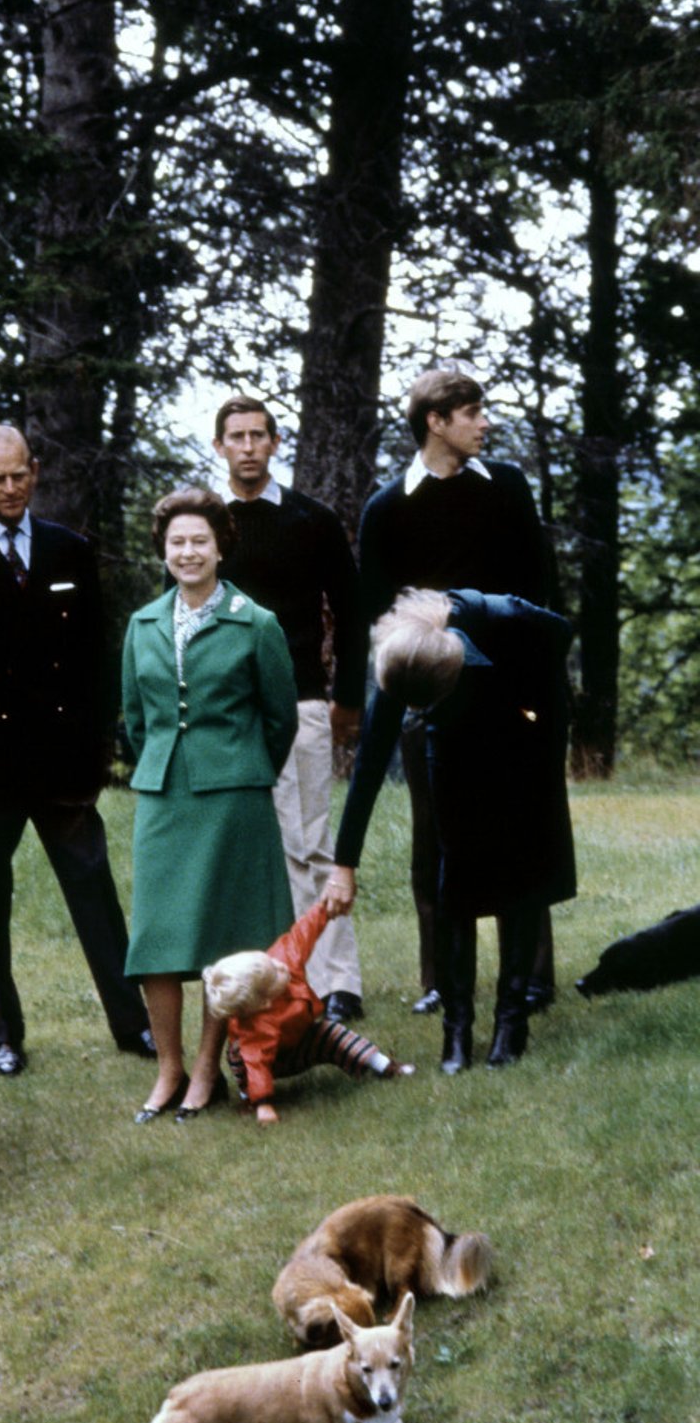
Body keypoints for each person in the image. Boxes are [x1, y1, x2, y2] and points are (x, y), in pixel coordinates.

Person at [0, 423, 153, 1076]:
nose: (11, 488)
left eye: (20, 474)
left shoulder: (70, 551)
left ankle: (135, 1025)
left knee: (95, 894)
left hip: (60, 762)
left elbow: (96, 658)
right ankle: (2, 1035)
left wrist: (102, 745)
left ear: (35, 471)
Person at [355, 366, 555, 1015]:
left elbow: (538, 588)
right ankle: (441, 978)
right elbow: (378, 613)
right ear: (435, 421)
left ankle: (529, 976)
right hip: (427, 698)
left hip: (509, 690)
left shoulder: (508, 488)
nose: (484, 422)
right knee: (434, 836)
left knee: (520, 828)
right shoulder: (386, 509)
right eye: (471, 411)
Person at [327, 588, 576, 1071]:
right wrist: (345, 863)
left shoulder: (511, 619)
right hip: (453, 742)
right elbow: (370, 768)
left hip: (523, 722)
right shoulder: (407, 656)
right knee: (454, 871)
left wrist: (535, 702)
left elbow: (561, 633)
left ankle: (511, 1023)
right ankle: (456, 1033)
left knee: (519, 868)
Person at [122, 487, 298, 1122]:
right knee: (157, 941)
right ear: (163, 552)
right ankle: (168, 1068)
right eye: (177, 543)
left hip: (233, 800)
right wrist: (163, 765)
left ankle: (205, 1072)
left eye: (200, 540)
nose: (188, 552)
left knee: (223, 942)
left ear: (221, 546)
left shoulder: (257, 623)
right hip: (163, 795)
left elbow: (279, 721)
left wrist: (242, 772)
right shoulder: (142, 624)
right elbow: (136, 721)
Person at [213, 395, 366, 1025]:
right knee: (238, 851)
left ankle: (337, 983)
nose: (248, 446)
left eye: (258, 435)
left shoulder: (312, 520)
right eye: (236, 437)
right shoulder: (204, 522)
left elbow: (353, 613)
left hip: (300, 699)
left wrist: (348, 700)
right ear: (220, 447)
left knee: (310, 846)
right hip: (224, 712)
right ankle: (246, 980)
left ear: (276, 444)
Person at [203, 902, 413, 1127]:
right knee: (239, 1056)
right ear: (263, 1003)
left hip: (303, 1036)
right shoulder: (255, 1029)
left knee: (332, 1032)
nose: (280, 967)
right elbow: (257, 1065)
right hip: (277, 1061)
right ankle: (250, 1099)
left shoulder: (282, 960)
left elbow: (303, 932)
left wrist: (325, 908)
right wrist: (263, 1103)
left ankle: (384, 1066)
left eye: (271, 961)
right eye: (274, 974)